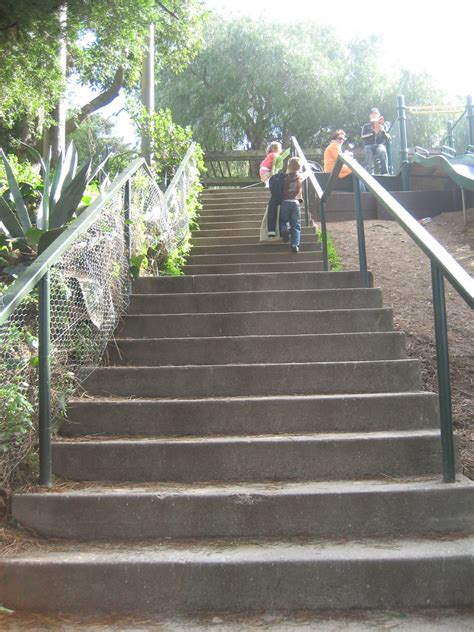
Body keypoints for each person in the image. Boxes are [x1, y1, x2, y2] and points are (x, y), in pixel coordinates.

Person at [279, 157, 303, 253]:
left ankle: (284, 229)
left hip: (285, 202)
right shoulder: (299, 178)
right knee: (296, 225)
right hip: (295, 203)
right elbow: (300, 194)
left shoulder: (284, 178)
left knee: (283, 220)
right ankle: (295, 245)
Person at [361, 108, 389, 175]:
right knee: (368, 150)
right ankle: (369, 173)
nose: (374, 115)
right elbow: (363, 137)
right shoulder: (366, 126)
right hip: (369, 145)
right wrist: (373, 133)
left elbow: (387, 138)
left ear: (379, 115)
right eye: (372, 114)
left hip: (379, 145)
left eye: (376, 113)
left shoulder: (384, 125)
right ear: (370, 116)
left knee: (382, 151)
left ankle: (384, 172)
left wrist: (383, 131)